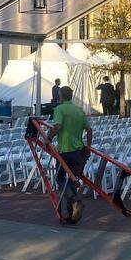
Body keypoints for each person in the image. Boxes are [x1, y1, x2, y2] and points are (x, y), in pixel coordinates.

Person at [48, 86, 93, 224]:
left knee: (60, 179)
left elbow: (57, 126)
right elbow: (89, 130)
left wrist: (48, 138)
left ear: (61, 96)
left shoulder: (60, 109)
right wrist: (88, 146)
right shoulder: (79, 110)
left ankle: (75, 201)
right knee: (72, 181)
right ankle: (70, 214)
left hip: (66, 151)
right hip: (79, 151)